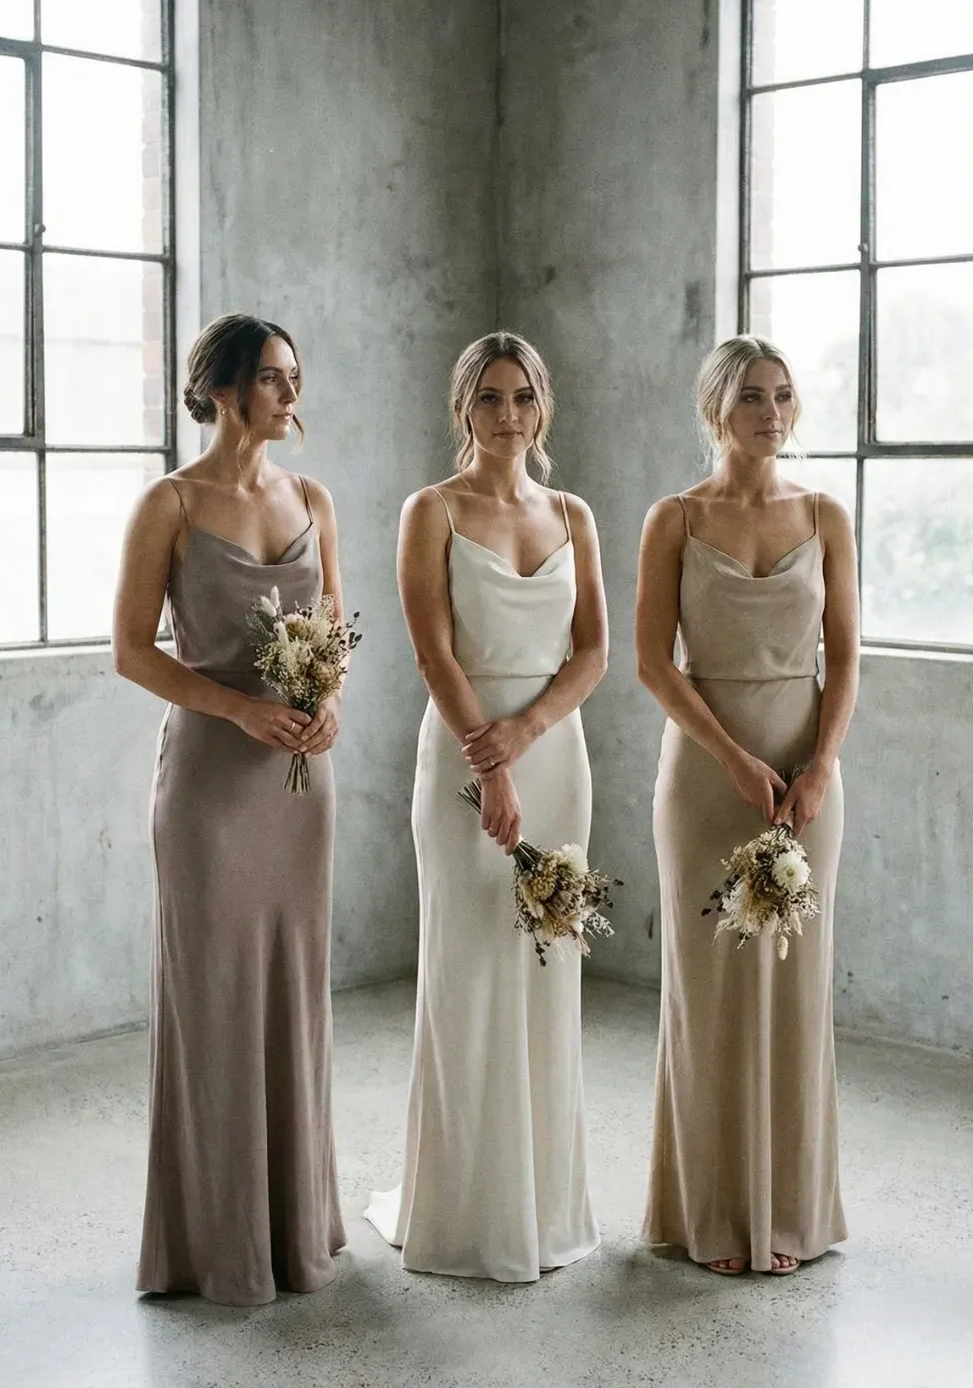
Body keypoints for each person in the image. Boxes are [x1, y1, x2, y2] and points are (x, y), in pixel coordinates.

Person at [113, 313, 347, 1306]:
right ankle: (216, 1245)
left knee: (293, 995)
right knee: (211, 997)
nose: (291, 395)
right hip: (211, 777)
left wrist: (325, 702)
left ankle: (292, 1233)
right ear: (220, 389)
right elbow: (131, 650)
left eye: (295, 378)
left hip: (299, 786)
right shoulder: (168, 502)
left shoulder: (312, 496)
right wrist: (240, 707)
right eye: (273, 379)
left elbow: (333, 624)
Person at [365, 331, 608, 1281]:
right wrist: (490, 761)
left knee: (548, 972)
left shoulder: (574, 513)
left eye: (523, 399)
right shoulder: (431, 510)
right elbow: (432, 650)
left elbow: (591, 653)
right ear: (463, 407)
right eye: (490, 399)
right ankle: (466, 1212)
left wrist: (530, 734)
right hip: (464, 752)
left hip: (555, 757)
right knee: (466, 971)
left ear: (542, 408)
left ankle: (541, 1208)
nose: (508, 417)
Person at [635, 335, 859, 1277]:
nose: (773, 413)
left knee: (796, 989)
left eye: (783, 396)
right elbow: (652, 660)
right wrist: (728, 755)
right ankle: (712, 1215)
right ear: (714, 412)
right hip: (705, 773)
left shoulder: (826, 515)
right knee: (710, 987)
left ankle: (791, 1213)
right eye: (753, 398)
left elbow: (843, 656)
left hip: (806, 769)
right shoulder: (674, 519)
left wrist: (817, 765)